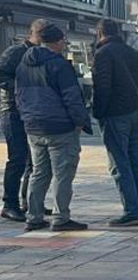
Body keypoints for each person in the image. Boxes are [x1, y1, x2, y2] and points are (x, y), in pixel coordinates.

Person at [15, 23, 92, 232]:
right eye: (63, 42)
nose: (64, 45)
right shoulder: (59, 65)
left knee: (39, 172)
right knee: (63, 173)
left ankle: (34, 216)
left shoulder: (23, 65)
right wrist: (80, 122)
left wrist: (27, 118)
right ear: (56, 42)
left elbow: (18, 96)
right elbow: (72, 97)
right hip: (60, 127)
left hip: (33, 126)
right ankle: (61, 217)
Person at [92, 18, 138, 226]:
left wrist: (98, 112)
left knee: (119, 163)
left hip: (115, 114)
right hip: (134, 112)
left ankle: (132, 211)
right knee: (135, 162)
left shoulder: (103, 54)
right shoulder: (132, 53)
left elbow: (102, 87)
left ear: (100, 33)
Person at [0, 20, 51, 222]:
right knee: (18, 158)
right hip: (13, 110)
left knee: (35, 160)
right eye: (41, 34)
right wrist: (21, 87)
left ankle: (30, 201)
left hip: (33, 111)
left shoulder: (43, 54)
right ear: (32, 33)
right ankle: (9, 204)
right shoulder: (16, 52)